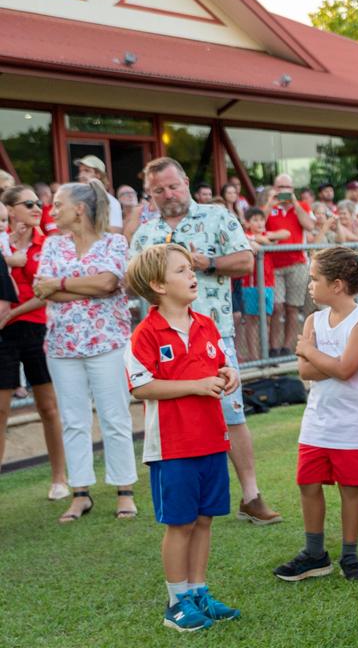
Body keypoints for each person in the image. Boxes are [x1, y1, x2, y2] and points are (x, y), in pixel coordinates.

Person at [131, 157, 281, 525]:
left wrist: (206, 263)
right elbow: (133, 279)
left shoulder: (217, 217)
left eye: (173, 186)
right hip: (165, 337)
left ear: (185, 181)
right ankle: (189, 497)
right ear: (149, 195)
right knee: (177, 410)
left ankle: (251, 495)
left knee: (231, 412)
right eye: (159, 191)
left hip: (214, 332)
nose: (168, 195)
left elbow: (246, 260)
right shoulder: (144, 233)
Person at [124, 243, 241, 632]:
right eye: (181, 270)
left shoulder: (206, 324)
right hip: (172, 446)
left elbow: (222, 363)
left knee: (205, 520)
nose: (192, 275)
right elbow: (141, 387)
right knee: (181, 523)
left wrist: (229, 375)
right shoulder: (145, 334)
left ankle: (198, 592)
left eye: (191, 268)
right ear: (158, 284)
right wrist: (195, 385)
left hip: (211, 440)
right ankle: (176, 603)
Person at [273, 248, 358, 582]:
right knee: (307, 483)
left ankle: (350, 555)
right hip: (317, 423)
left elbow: (343, 370)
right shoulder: (313, 320)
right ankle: (315, 554)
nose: (309, 284)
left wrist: (312, 352)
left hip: (353, 425)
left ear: (336, 285)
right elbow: (307, 371)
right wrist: (333, 362)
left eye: (315, 278)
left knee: (351, 488)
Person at [33, 180, 138, 521]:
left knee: (115, 417)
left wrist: (61, 284)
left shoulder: (114, 242)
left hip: (107, 342)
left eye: (58, 204)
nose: (52, 210)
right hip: (62, 345)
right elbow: (42, 290)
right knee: (73, 421)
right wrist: (85, 287)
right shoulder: (52, 246)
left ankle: (124, 490)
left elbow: (109, 283)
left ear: (79, 208)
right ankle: (80, 492)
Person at [0, 185, 69, 502]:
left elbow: (45, 293)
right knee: (1, 411)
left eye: (38, 202)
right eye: (29, 203)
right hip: (4, 332)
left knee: (48, 407)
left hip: (38, 328)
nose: (37, 207)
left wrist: (11, 311)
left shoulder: (48, 243)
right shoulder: (2, 242)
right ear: (10, 210)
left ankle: (59, 477)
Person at [264, 175, 316, 357]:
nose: (284, 190)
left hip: (297, 264)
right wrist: (270, 205)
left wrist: (295, 203)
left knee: (292, 308)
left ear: (293, 189)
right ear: (275, 188)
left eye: (287, 187)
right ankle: (272, 347)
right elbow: (256, 225)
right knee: (276, 307)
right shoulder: (270, 207)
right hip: (273, 264)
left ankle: (287, 347)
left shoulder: (302, 206)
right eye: (280, 187)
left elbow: (309, 225)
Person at [239, 208, 276, 362]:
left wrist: (256, 240)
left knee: (266, 319)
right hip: (251, 284)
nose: (259, 223)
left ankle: (264, 355)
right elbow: (248, 241)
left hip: (268, 283)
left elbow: (271, 240)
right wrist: (253, 240)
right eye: (255, 220)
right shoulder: (243, 236)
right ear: (247, 223)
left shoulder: (264, 236)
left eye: (261, 220)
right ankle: (254, 357)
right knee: (252, 320)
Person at [73, 156, 124, 233]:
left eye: (87, 171)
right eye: (80, 171)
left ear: (98, 175)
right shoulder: (74, 200)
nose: (82, 175)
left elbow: (115, 231)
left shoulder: (111, 201)